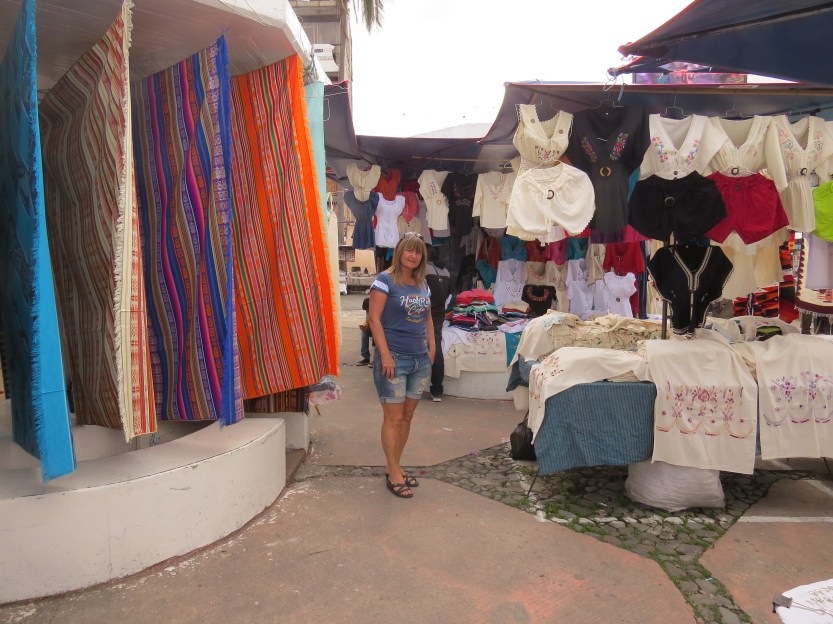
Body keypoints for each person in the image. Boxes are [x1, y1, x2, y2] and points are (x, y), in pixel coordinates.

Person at [367, 232, 435, 499]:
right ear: (399, 252)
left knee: (407, 417)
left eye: (418, 252)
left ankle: (394, 465)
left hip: (420, 360)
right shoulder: (384, 281)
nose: (413, 255)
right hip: (394, 359)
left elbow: (428, 318)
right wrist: (385, 355)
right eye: (409, 250)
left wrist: (431, 349)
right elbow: (374, 320)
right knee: (393, 419)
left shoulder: (422, 284)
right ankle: (394, 471)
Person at [425, 247, 451, 401]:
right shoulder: (446, 271)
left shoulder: (425, 270)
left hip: (425, 314)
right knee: (437, 350)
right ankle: (437, 389)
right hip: (439, 315)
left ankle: (430, 387)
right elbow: (448, 294)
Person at [357, 297, 371, 366]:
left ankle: (377, 359)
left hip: (381, 329)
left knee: (376, 336)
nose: (367, 312)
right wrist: (365, 326)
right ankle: (366, 357)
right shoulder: (367, 312)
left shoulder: (379, 310)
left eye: (368, 310)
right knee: (364, 334)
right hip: (372, 328)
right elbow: (367, 321)